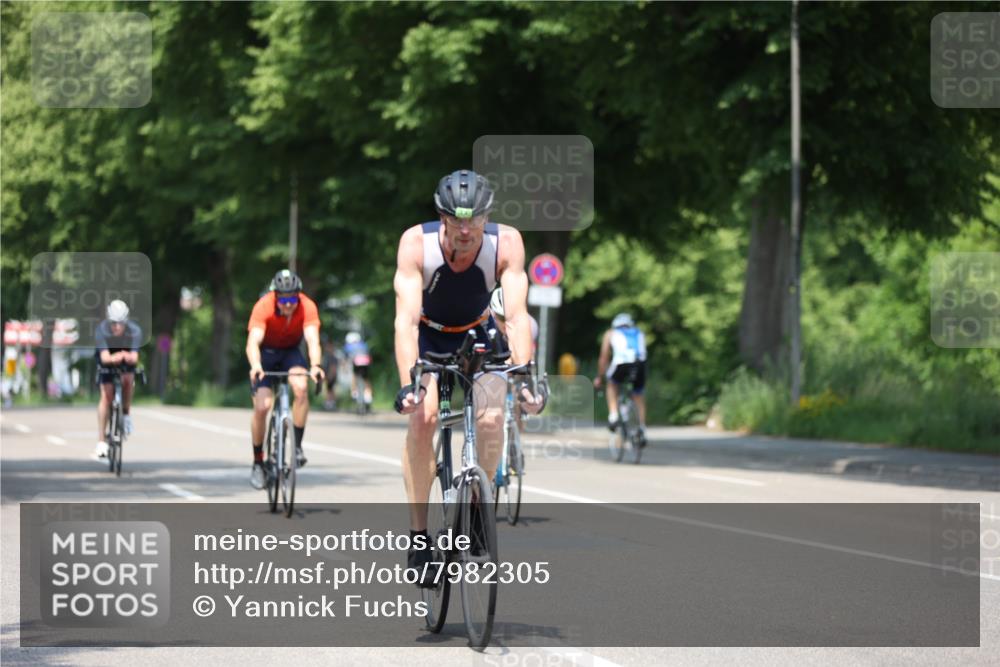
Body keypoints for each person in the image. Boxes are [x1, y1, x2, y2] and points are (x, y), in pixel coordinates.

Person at [393, 169, 545, 584]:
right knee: (423, 418)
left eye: (474, 219)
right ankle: (420, 538)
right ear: (441, 216)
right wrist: (409, 384)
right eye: (456, 220)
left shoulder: (507, 243)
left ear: (487, 216)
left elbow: (517, 317)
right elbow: (405, 322)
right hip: (428, 335)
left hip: (478, 333)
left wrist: (525, 378)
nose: (465, 230)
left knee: (492, 419)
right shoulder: (415, 243)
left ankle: (478, 508)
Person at [246, 269, 324, 489]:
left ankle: (296, 447)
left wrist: (316, 365)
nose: (288, 304)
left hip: (291, 353)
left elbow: (312, 339)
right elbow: (253, 342)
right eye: (283, 300)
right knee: (263, 407)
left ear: (298, 296)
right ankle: (258, 461)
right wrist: (256, 365)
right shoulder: (263, 306)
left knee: (301, 388)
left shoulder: (307, 306)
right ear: (275, 296)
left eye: (292, 300)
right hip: (266, 354)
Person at [93, 300, 142, 459]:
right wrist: (118, 356)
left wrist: (125, 356)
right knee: (106, 395)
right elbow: (105, 357)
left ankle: (126, 414)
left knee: (128, 379)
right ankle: (101, 441)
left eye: (121, 323)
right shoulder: (101, 330)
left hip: (125, 363)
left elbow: (134, 357)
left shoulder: (134, 331)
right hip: (107, 362)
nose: (117, 327)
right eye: (114, 323)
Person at [593, 313, 648, 444]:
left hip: (622, 363)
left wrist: (599, 377)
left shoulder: (610, 333)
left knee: (611, 384)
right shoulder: (639, 333)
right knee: (638, 395)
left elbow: (604, 357)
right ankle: (641, 428)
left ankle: (613, 416)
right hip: (640, 365)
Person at [344, 331, 373, 412]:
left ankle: (354, 394)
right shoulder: (363, 345)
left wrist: (345, 367)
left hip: (356, 363)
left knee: (355, 376)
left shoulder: (348, 346)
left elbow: (346, 358)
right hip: (366, 363)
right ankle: (368, 397)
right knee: (366, 379)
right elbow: (368, 354)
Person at [321, 337, 343, 410]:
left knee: (330, 389)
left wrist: (330, 375)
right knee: (329, 389)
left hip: (331, 376)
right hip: (329, 375)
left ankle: (330, 403)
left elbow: (333, 367)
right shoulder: (327, 356)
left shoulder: (332, 357)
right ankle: (330, 402)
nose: (326, 348)